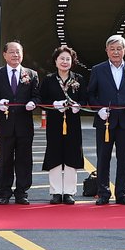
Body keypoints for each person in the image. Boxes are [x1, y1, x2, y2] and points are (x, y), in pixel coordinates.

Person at [84, 34, 125, 205]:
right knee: (103, 158)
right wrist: (98, 109)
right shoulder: (98, 69)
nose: (116, 52)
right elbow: (90, 94)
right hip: (105, 121)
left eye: (119, 48)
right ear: (107, 50)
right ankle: (103, 193)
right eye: (112, 49)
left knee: (124, 158)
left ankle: (122, 193)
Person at [0, 40, 39, 204]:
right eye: (12, 52)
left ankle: (22, 192)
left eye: (18, 52)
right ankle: (4, 192)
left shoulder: (31, 74)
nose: (15, 55)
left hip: (24, 124)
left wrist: (33, 103)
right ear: (4, 54)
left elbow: (37, 96)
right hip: (4, 124)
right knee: (4, 159)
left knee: (24, 159)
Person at [41, 45, 86, 204]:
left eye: (68, 59)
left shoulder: (79, 79)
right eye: (62, 59)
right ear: (55, 61)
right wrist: (54, 104)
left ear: (72, 61)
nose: (65, 62)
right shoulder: (48, 80)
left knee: (71, 154)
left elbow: (85, 99)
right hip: (54, 122)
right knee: (54, 154)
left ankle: (69, 192)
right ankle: (55, 191)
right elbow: (41, 100)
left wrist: (78, 105)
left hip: (73, 123)